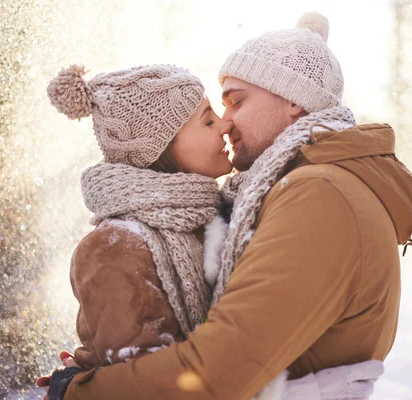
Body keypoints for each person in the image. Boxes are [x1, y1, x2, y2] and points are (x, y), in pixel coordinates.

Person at [41, 62, 383, 400]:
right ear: (161, 149)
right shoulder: (115, 246)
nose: (224, 124)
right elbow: (144, 385)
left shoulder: (218, 218)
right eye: (207, 120)